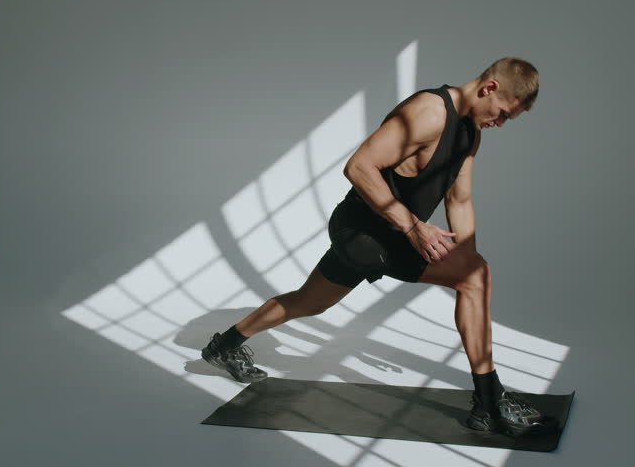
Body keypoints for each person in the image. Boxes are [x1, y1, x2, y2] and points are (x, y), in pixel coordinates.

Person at [202, 57, 551, 435]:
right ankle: (489, 401)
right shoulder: (428, 112)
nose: (499, 123)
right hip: (362, 232)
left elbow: (460, 201)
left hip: (389, 236)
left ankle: (224, 344)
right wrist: (418, 231)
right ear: (489, 88)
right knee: (476, 277)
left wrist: (467, 259)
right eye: (502, 114)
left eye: (507, 120)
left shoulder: (471, 134)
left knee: (309, 301)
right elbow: (359, 166)